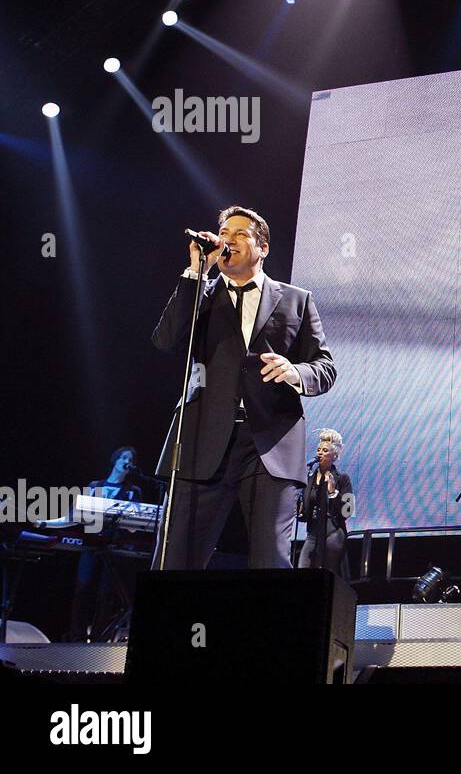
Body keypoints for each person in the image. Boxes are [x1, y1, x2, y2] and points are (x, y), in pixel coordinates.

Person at [152, 205, 337, 570]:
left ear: (263, 247)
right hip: (202, 437)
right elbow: (165, 339)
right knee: (176, 560)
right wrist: (195, 273)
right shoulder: (200, 294)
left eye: (239, 234)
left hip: (269, 441)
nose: (227, 240)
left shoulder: (297, 299)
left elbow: (325, 369)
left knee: (271, 562)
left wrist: (295, 371)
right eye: (224, 233)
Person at [68, 447, 145, 641]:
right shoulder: (95, 486)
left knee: (105, 595)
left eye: (131, 459)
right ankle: (76, 637)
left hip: (114, 547)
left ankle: (98, 639)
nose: (127, 461)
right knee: (83, 589)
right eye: (123, 457)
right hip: (91, 545)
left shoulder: (132, 491)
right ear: (115, 460)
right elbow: (78, 514)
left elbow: (136, 524)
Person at [297, 429, 352, 577]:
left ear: (334, 456)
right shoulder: (309, 478)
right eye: (318, 450)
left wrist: (333, 492)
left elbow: (348, 510)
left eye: (325, 450)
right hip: (313, 533)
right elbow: (304, 510)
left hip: (333, 532)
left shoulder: (342, 478)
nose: (320, 453)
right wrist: (300, 509)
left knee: (327, 576)